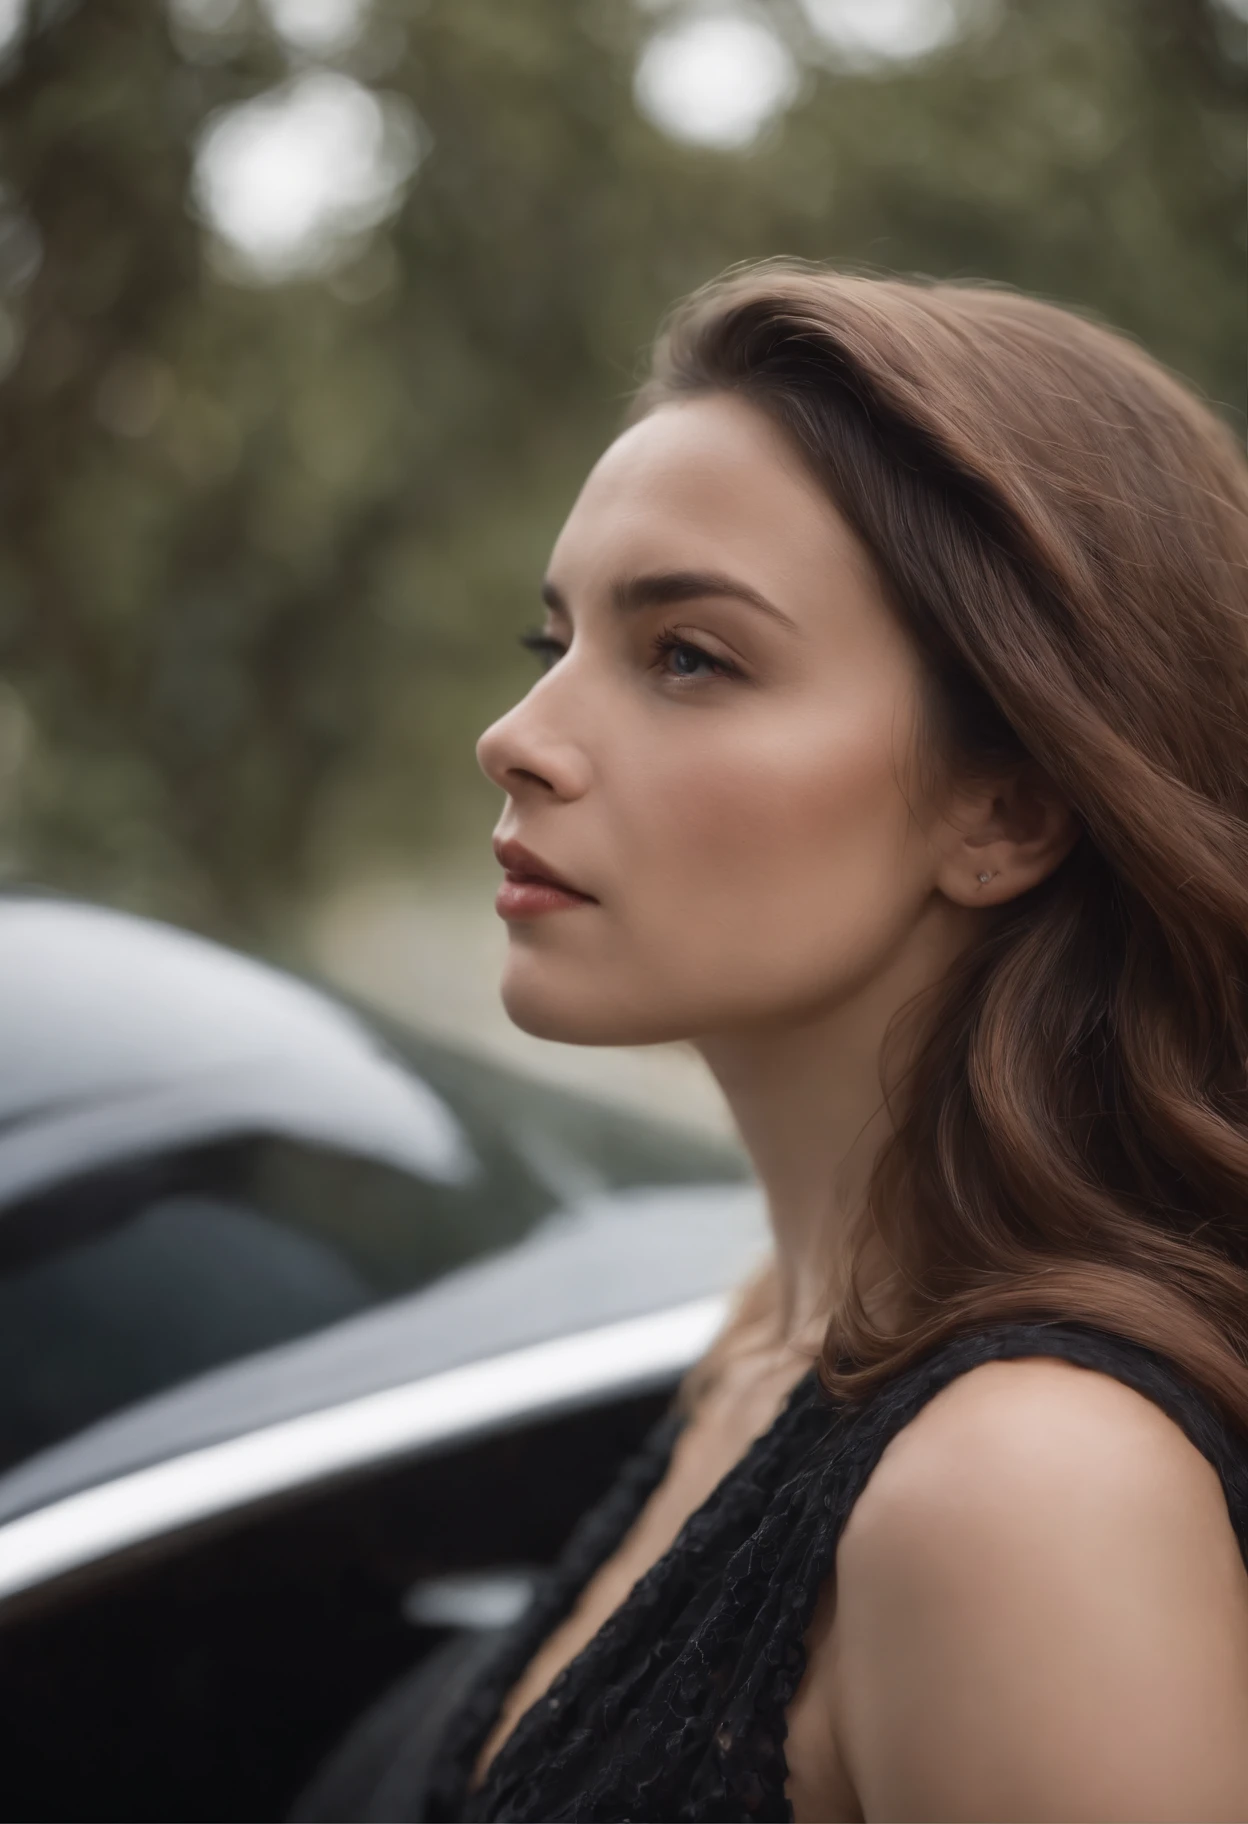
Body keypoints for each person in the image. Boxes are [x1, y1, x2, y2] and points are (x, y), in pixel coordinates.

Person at [305, 261, 1248, 1822]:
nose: (520, 738)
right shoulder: (766, 1343)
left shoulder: (1022, 1494)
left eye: (690, 657)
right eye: (557, 647)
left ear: (1008, 808)